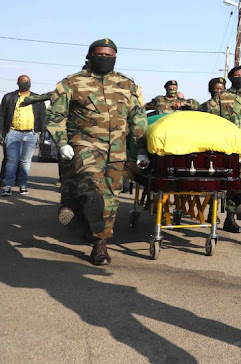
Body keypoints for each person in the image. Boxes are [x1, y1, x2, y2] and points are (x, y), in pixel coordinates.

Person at [47, 38, 149, 265]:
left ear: (115, 58)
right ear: (89, 56)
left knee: (110, 197)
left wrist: (141, 150)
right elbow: (56, 116)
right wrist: (62, 142)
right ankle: (79, 207)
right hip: (86, 145)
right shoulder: (72, 83)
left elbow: (138, 119)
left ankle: (99, 243)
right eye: (100, 54)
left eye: (109, 55)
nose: (104, 58)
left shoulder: (126, 85)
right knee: (92, 188)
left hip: (117, 151)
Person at [200, 75, 241, 233]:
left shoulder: (236, 105)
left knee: (235, 183)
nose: (219, 92)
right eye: (216, 89)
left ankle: (230, 219)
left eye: (221, 89)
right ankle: (212, 214)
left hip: (234, 148)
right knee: (216, 183)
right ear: (210, 90)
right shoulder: (205, 107)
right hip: (215, 149)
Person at [0, 75, 47, 196]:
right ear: (18, 83)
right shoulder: (9, 97)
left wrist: (42, 133)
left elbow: (42, 117)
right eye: (23, 81)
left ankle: (23, 185)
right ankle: (8, 186)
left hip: (31, 134)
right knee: (12, 161)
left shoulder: (36, 98)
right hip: (13, 133)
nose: (26, 83)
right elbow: (2, 115)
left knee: (25, 161)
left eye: (27, 81)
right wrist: (1, 132)